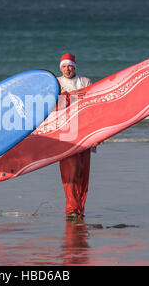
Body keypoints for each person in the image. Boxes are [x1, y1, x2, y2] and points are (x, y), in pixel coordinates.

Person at [57, 53, 92, 222]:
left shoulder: (85, 82)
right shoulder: (55, 83)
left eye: (70, 66)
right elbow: (50, 108)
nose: (67, 69)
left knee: (82, 172)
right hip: (64, 134)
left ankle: (79, 209)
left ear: (75, 67)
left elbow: (93, 107)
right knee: (70, 171)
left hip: (84, 132)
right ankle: (71, 209)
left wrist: (98, 134)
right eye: (64, 66)